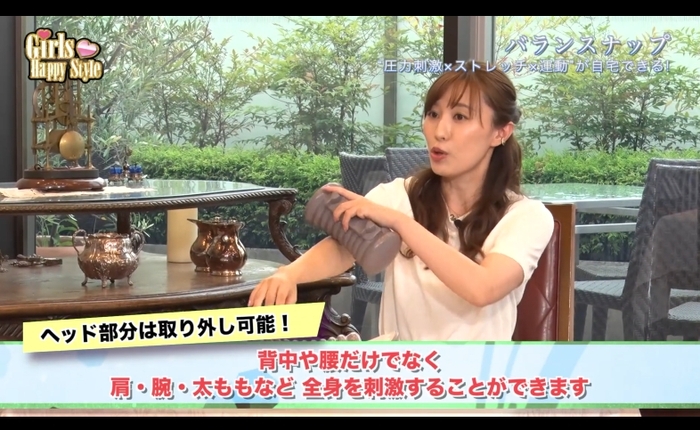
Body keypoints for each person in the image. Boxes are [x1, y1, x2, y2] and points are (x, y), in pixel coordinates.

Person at [249, 61, 555, 341]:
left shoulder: (526, 217)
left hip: (474, 379)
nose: (440, 131)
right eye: (433, 114)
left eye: (460, 117)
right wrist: (289, 275)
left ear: (501, 133)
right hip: (401, 373)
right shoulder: (398, 195)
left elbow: (483, 288)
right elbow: (343, 248)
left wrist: (399, 223)